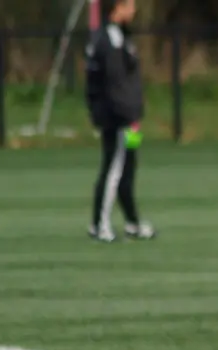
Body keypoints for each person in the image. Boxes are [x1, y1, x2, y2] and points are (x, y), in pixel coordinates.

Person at [84, 0, 155, 242]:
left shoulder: (121, 35)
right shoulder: (110, 39)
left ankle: (133, 222)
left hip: (130, 119)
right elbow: (114, 84)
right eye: (130, 5)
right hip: (119, 119)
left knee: (128, 168)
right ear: (118, 7)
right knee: (113, 167)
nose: (134, 10)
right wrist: (127, 115)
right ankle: (99, 224)